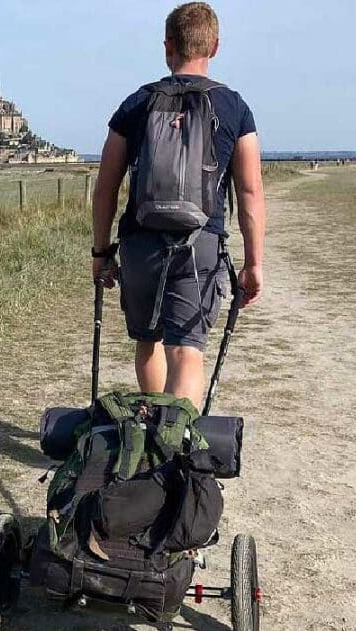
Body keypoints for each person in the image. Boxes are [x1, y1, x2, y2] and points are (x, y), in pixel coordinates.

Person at [91, 1, 265, 410]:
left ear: (167, 46)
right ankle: (175, 448)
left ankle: (150, 437)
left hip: (139, 243)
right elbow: (250, 192)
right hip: (199, 242)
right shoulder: (234, 107)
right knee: (187, 351)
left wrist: (101, 252)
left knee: (147, 341)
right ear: (215, 46)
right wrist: (254, 261)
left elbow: (106, 186)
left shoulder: (136, 104)